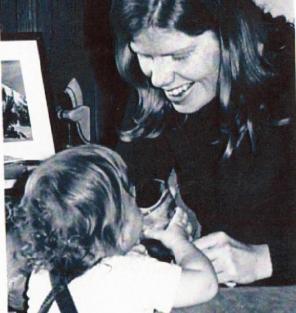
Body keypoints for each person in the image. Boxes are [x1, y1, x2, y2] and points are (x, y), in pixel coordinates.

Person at [110, 0, 296, 286]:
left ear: (228, 35)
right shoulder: (158, 87)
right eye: (144, 55)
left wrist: (267, 259)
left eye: (180, 55)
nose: (159, 78)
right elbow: (131, 179)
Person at [11, 144, 217, 313]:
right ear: (119, 227)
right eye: (133, 203)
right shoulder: (133, 275)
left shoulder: (42, 275)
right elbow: (205, 284)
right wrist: (179, 241)